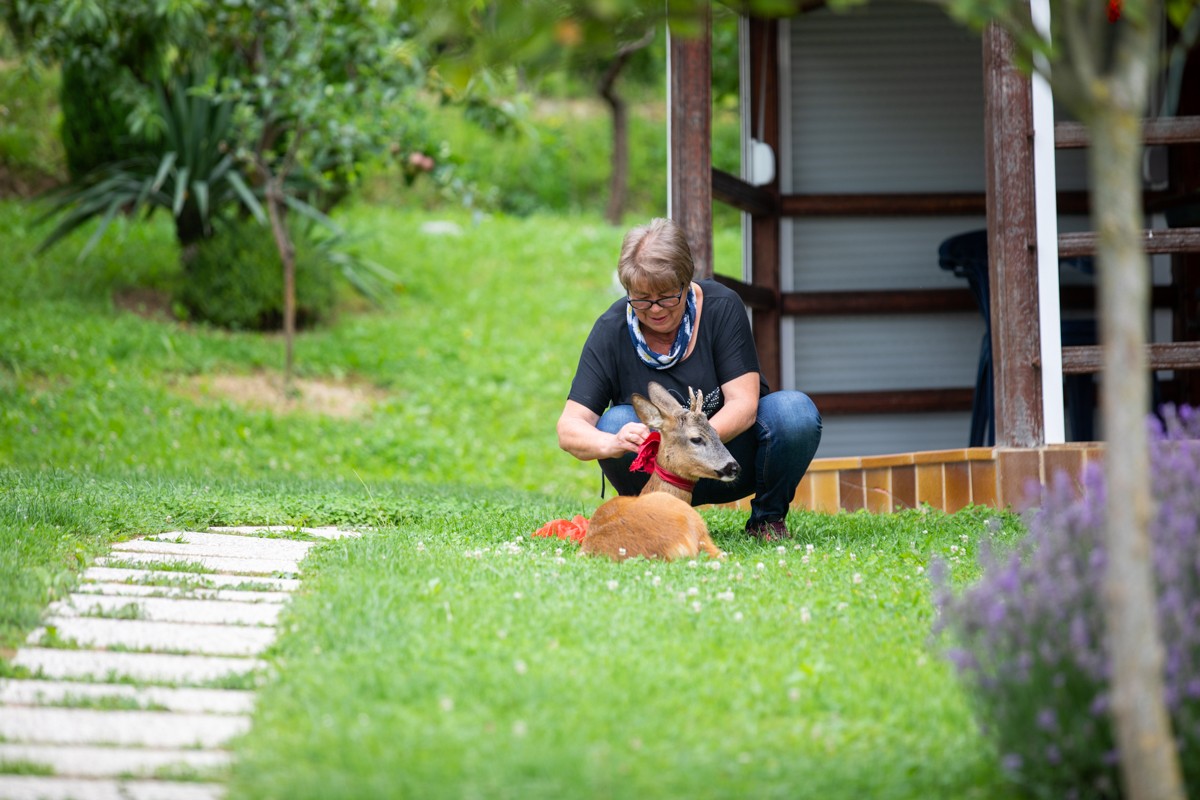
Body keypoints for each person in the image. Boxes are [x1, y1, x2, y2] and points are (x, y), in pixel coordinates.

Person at [556, 217, 822, 541]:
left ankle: (767, 520)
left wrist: (689, 448)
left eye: (667, 296)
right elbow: (569, 427)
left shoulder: (721, 306)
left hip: (728, 461)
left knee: (794, 412)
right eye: (641, 298)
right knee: (614, 422)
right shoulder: (610, 330)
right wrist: (612, 443)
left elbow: (745, 404)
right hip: (658, 474)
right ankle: (654, 521)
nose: (654, 309)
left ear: (686, 281)